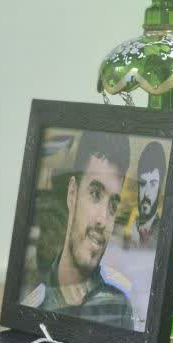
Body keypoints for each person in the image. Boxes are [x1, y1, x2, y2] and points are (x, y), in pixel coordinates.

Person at [22, 130, 134, 329]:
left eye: (113, 206)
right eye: (95, 194)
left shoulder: (118, 307)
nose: (103, 219)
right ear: (72, 194)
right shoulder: (32, 307)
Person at [135, 140, 167, 246]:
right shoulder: (129, 228)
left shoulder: (163, 234)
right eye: (143, 184)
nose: (146, 194)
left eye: (153, 184)